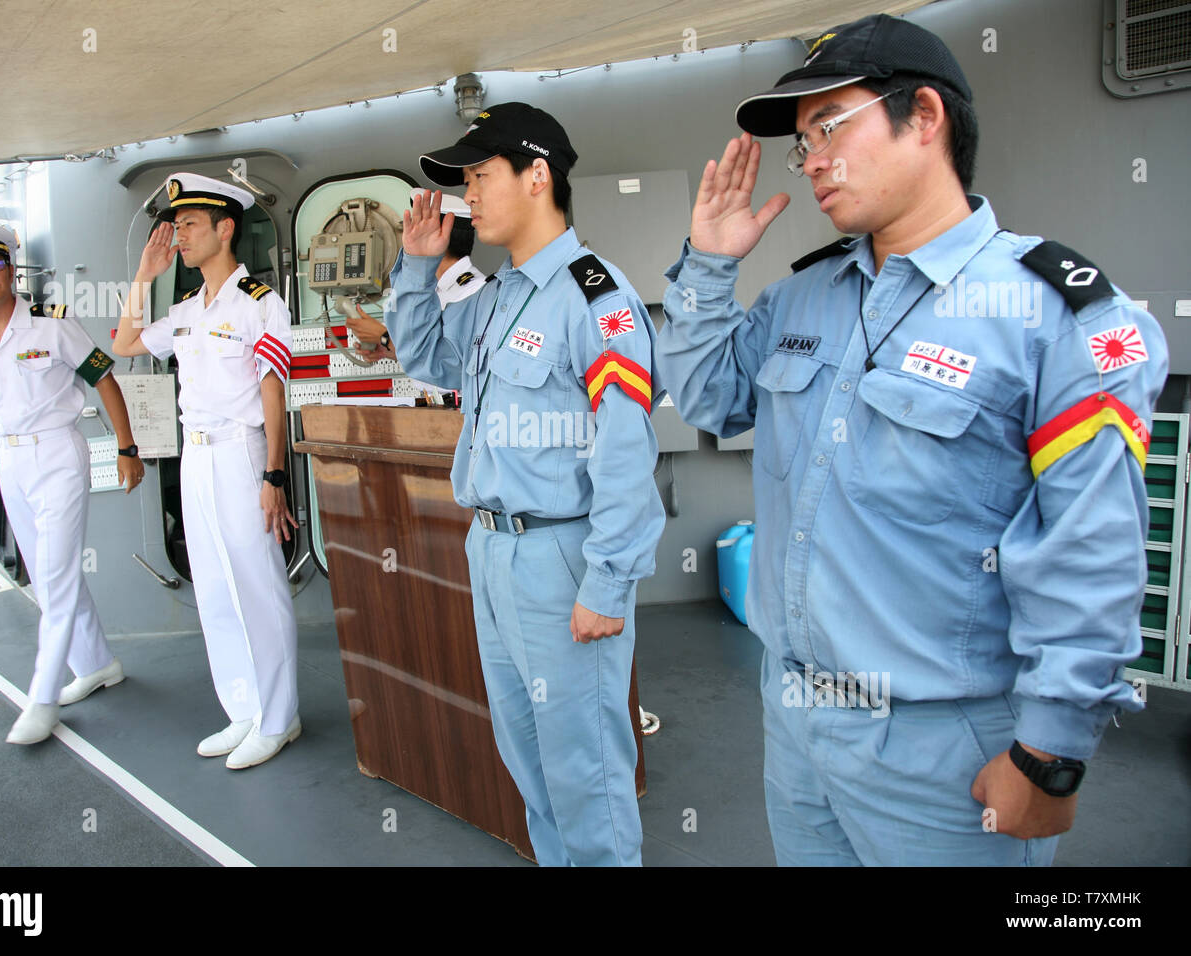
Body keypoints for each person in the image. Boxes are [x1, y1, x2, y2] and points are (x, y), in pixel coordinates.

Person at [656, 13, 1168, 866]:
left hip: (946, 752)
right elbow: (710, 398)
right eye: (802, 143)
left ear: (923, 116)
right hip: (796, 725)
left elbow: (1091, 550)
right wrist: (709, 267)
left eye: (831, 126)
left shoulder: (1056, 315)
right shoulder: (802, 298)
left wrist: (1048, 757)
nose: (812, 158)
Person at [388, 102, 665, 865]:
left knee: (587, 775)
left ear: (538, 175)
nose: (466, 195)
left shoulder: (597, 296)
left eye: (480, 175)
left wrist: (607, 583)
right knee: (532, 766)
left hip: (563, 558)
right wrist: (418, 265)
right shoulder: (496, 291)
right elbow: (426, 361)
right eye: (465, 180)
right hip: (493, 553)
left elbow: (625, 450)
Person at [111, 173, 301, 770]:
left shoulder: (261, 304)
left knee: (258, 585)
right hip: (196, 455)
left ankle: (279, 716)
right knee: (215, 586)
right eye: (175, 225)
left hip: (243, 451)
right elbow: (124, 343)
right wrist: (144, 274)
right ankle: (244, 709)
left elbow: (273, 392)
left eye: (190, 224)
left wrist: (274, 477)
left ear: (226, 229)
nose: (179, 234)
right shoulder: (187, 309)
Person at [0, 221, 144, 745]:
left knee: (54, 578)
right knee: (50, 572)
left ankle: (42, 697)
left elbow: (104, 377)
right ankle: (96, 663)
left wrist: (126, 446)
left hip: (57, 453)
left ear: (10, 270)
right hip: (9, 459)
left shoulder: (53, 324)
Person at [346, 189, 485, 357]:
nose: (408, 236)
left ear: (439, 236)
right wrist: (388, 350)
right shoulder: (432, 287)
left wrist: (384, 337)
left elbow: (456, 364)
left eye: (418, 228)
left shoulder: (474, 292)